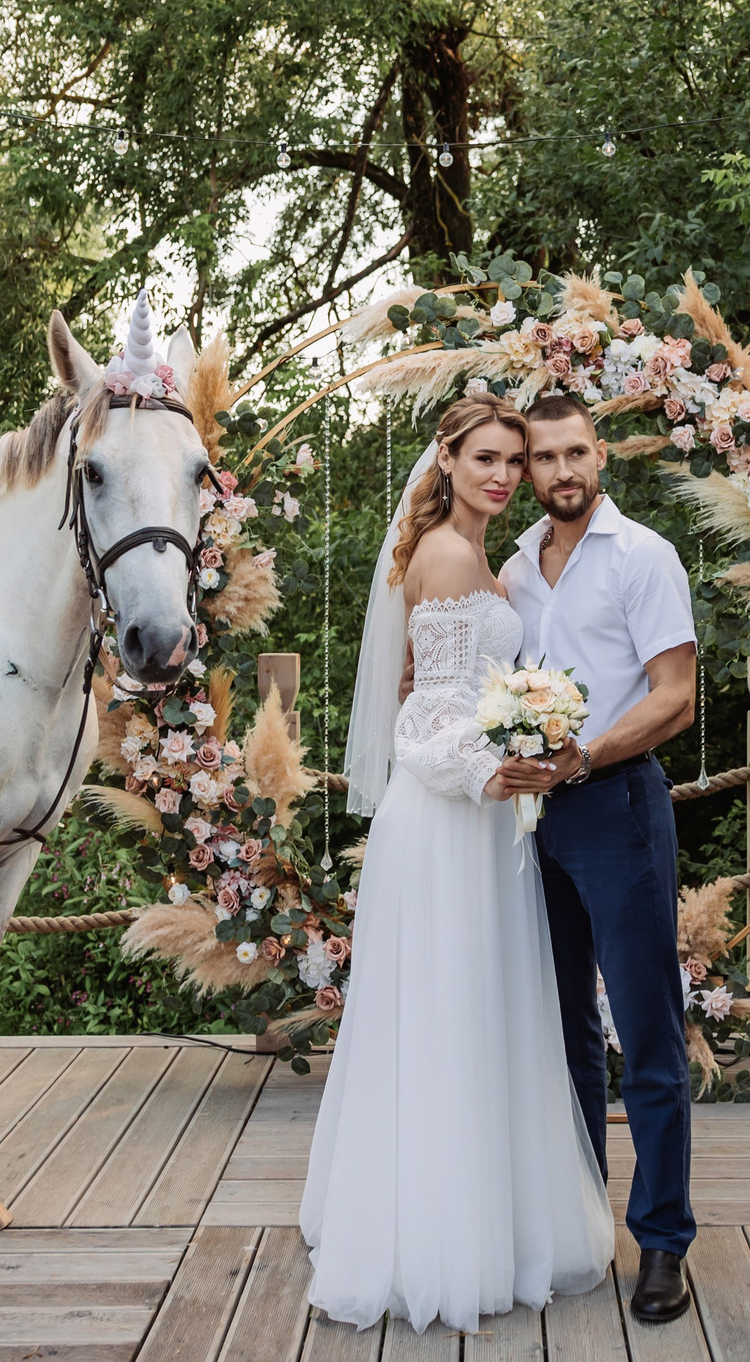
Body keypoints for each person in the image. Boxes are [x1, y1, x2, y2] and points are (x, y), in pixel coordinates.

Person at [301, 393, 614, 1334]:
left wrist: (525, 736)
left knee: (483, 1013)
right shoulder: (443, 552)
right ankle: (433, 1239)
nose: (504, 475)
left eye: (514, 460)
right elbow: (421, 725)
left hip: (485, 823)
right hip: (442, 823)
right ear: (445, 458)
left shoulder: (487, 557)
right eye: (486, 457)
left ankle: (493, 1216)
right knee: (443, 1019)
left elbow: (464, 695)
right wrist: (493, 774)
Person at [498, 394, 701, 1324]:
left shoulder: (645, 558)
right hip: (532, 824)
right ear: (530, 470)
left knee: (647, 1031)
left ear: (602, 454)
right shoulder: (513, 568)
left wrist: (588, 754)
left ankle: (663, 1242)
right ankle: (583, 1223)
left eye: (576, 451)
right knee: (564, 1028)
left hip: (618, 807)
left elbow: (677, 695)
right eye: (545, 458)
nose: (562, 471)